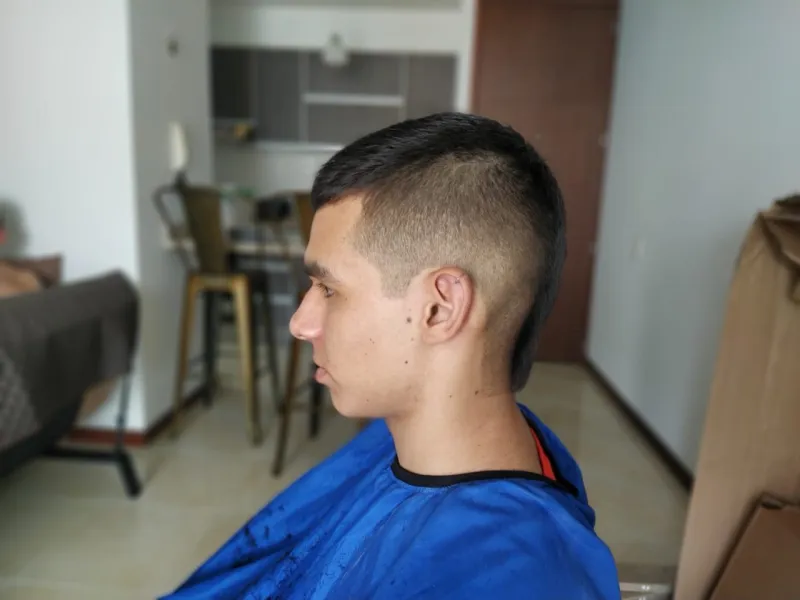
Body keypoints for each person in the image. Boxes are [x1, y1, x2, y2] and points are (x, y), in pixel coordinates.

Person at [160, 113, 620, 599]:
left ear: (440, 308)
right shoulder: (411, 445)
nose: (300, 323)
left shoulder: (525, 579)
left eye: (328, 289)